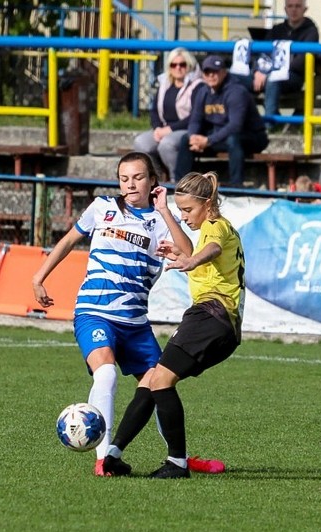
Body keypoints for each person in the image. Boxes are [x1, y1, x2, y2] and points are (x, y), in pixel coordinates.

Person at [32, 152, 223, 477]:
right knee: (105, 373)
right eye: (124, 178)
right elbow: (67, 242)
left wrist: (164, 210)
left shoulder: (162, 220)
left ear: (152, 181)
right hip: (95, 312)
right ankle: (104, 459)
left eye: (137, 177)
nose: (130, 184)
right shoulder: (102, 207)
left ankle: (179, 458)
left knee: (160, 385)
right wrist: (39, 277)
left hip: (135, 323)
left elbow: (189, 254)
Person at [102, 171, 245, 479]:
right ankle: (113, 454)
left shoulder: (217, 226)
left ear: (207, 204)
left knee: (161, 380)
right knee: (152, 378)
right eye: (181, 210)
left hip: (212, 316)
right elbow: (197, 253)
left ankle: (177, 462)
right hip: (215, 321)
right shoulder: (207, 227)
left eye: (188, 210)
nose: (185, 216)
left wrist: (191, 261)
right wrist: (171, 225)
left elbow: (212, 250)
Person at [174, 54, 269, 188]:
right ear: (203, 74)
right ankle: (182, 185)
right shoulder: (203, 92)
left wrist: (208, 140)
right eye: (208, 72)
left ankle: (236, 185)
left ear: (224, 72)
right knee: (186, 140)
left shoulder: (237, 91)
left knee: (233, 140)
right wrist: (194, 137)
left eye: (215, 71)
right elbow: (195, 120)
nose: (211, 75)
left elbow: (235, 125)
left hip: (251, 136)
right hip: (220, 136)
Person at [132, 48, 206, 182]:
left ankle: (177, 180)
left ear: (189, 66)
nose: (178, 68)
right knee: (141, 142)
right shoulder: (164, 84)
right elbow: (154, 110)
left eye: (182, 64)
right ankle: (155, 178)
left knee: (167, 144)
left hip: (185, 129)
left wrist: (169, 130)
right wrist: (157, 128)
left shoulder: (198, 86)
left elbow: (195, 116)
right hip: (163, 128)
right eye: (173, 64)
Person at [245, 0, 320, 127]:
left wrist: (269, 72)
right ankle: (242, 124)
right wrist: (258, 70)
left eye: (297, 6)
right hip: (267, 74)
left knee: (273, 79)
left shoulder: (311, 32)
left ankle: (269, 127)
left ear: (304, 9)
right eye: (290, 6)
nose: (294, 10)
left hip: (293, 77)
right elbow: (262, 53)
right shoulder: (277, 30)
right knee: (240, 79)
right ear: (285, 9)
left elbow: (299, 63)